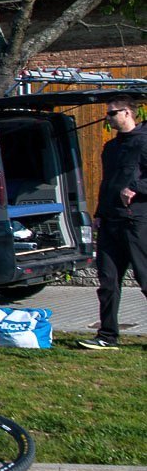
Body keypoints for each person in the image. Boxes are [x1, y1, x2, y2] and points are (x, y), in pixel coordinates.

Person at [80, 97, 146, 351]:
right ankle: (107, 335)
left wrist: (136, 188)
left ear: (128, 113)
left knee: (145, 278)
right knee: (107, 281)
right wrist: (98, 213)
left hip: (136, 222)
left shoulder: (143, 142)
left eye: (112, 113)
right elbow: (107, 183)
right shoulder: (111, 148)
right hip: (109, 221)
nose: (107, 118)